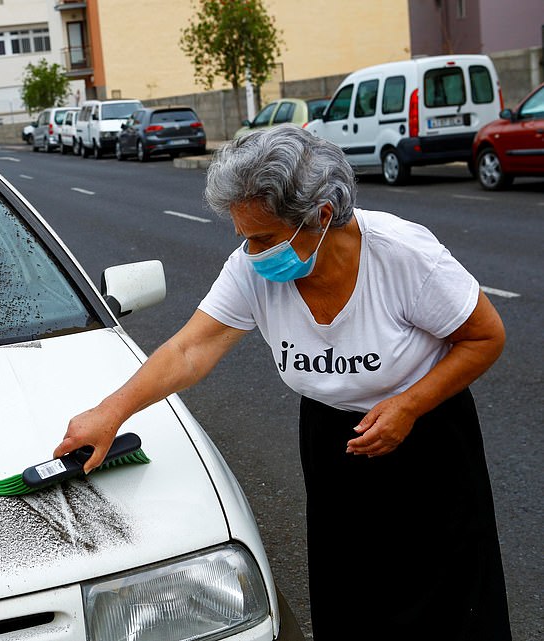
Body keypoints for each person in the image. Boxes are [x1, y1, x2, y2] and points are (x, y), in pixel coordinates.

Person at [55, 124, 512, 641]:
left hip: (427, 437)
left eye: (265, 238)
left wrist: (408, 405)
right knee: (352, 595)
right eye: (243, 237)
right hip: (333, 441)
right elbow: (190, 349)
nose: (252, 252)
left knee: (447, 599)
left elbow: (484, 338)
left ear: (320, 216)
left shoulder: (403, 256)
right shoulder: (251, 269)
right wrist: (111, 412)